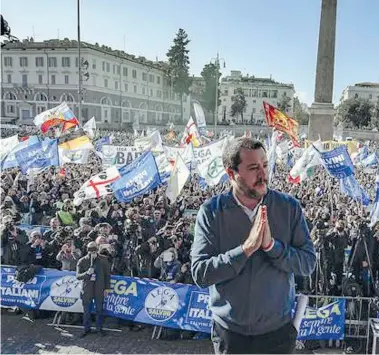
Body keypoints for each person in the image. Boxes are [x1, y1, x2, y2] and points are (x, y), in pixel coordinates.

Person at [191, 137, 316, 354]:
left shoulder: (288, 207)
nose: (263, 174)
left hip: (277, 334)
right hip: (231, 334)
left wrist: (272, 247)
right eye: (253, 168)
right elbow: (201, 273)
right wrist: (245, 249)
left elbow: (307, 263)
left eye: (265, 165)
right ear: (231, 174)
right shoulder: (211, 212)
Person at [76, 241, 111, 337]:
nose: (93, 252)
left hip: (99, 288)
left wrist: (107, 288)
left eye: (95, 249)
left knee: (99, 309)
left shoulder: (104, 259)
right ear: (87, 250)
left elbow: (107, 275)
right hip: (87, 289)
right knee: (86, 310)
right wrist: (87, 273)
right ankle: (86, 328)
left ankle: (99, 328)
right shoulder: (82, 261)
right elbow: (78, 276)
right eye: (90, 250)